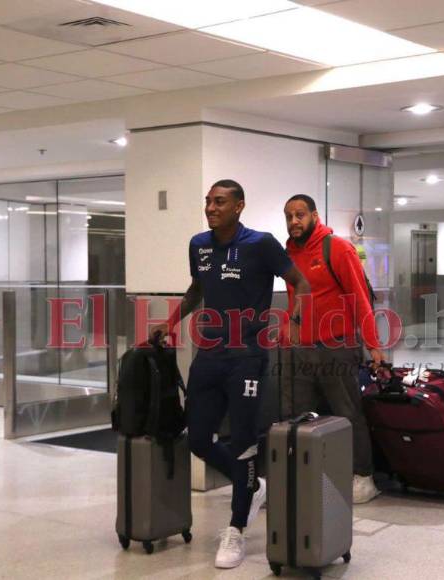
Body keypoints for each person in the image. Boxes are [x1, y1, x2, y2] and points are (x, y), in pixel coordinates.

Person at [150, 179, 310, 569]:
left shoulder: (261, 244)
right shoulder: (199, 244)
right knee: (199, 439)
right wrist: (171, 322)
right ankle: (251, 485)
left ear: (239, 206)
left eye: (220, 202)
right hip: (209, 355)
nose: (211, 207)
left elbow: (301, 284)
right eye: (208, 201)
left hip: (248, 357)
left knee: (243, 441)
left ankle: (236, 529)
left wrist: (293, 320)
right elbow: (196, 290)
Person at [282, 194, 384, 504]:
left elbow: (359, 297)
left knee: (347, 413)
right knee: (299, 415)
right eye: (288, 216)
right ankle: (308, 474)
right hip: (300, 349)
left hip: (336, 346)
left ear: (314, 215)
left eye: (300, 214)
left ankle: (363, 477)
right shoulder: (289, 252)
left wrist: (373, 344)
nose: (294, 221)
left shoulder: (336, 247)